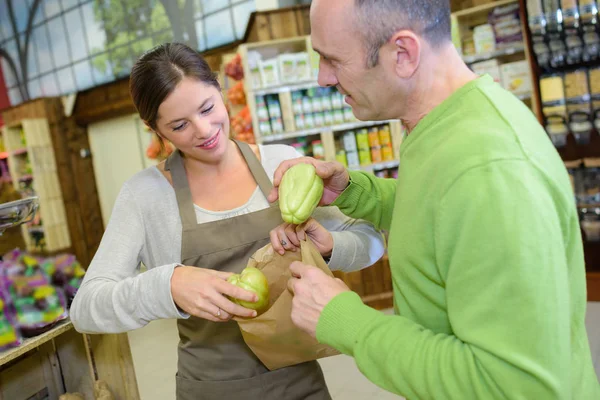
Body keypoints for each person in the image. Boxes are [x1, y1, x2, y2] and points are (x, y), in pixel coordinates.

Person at [268, 0, 600, 399]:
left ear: (403, 54)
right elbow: (443, 212)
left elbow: (516, 387)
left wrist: (347, 321)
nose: (323, 78)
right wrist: (355, 192)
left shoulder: (489, 171)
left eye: (332, 59)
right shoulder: (446, 124)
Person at [70, 42, 385, 400]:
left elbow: (372, 241)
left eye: (207, 108)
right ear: (154, 128)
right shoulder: (146, 195)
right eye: (179, 125)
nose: (204, 130)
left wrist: (331, 249)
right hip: (209, 389)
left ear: (220, 89)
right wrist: (168, 285)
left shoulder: (279, 165)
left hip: (298, 383)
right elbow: (86, 308)